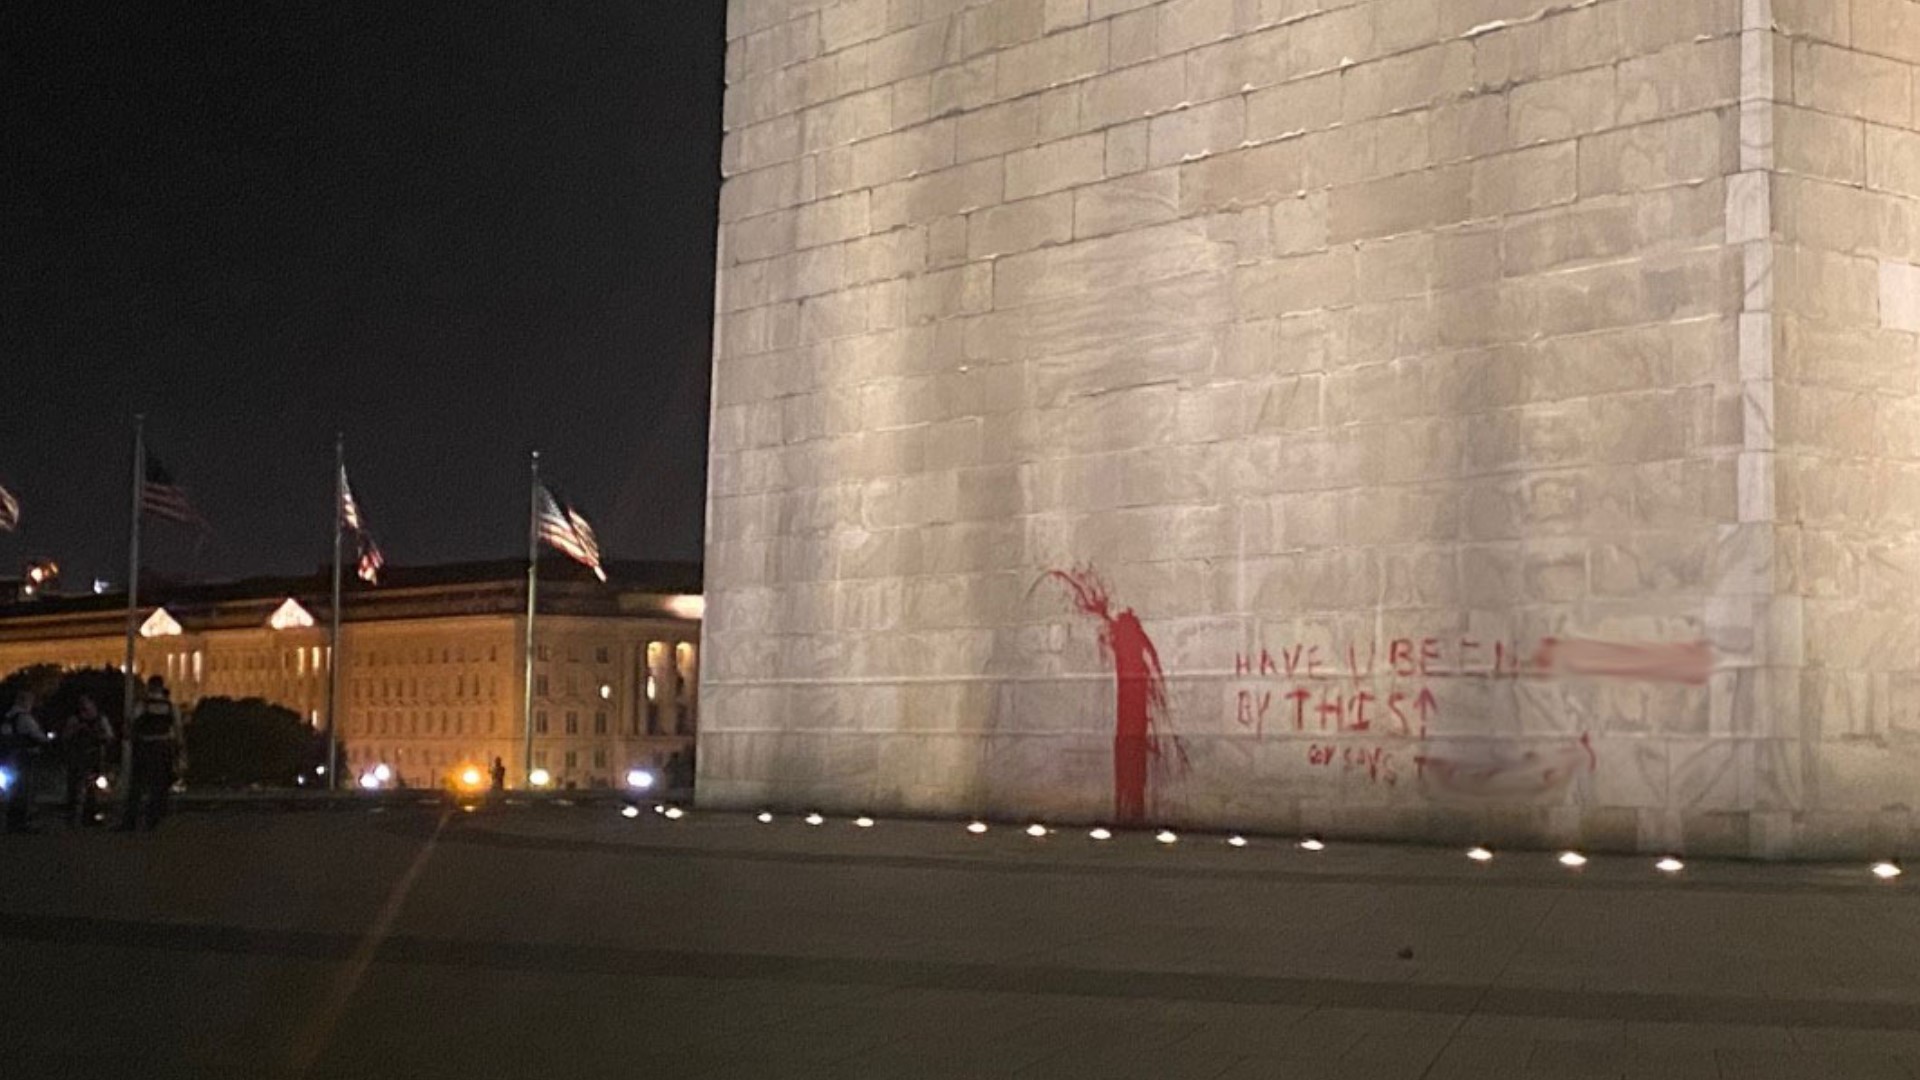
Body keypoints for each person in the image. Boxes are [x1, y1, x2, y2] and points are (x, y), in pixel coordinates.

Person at [118, 676, 180, 832]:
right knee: (158, 786)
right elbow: (178, 729)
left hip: (145, 747)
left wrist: (128, 736)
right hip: (163, 748)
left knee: (137, 785)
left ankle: (130, 821)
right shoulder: (170, 706)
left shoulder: (143, 705)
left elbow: (130, 723)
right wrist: (179, 750)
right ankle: (152, 820)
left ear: (149, 687)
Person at [60, 695, 115, 827]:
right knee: (74, 788)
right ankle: (72, 818)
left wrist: (98, 737)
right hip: (77, 757)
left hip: (93, 757)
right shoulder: (75, 720)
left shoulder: (100, 719)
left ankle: (90, 817)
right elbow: (66, 736)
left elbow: (109, 737)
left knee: (92, 789)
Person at [2, 690, 50, 833]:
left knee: (13, 790)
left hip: (10, 757)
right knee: (25, 789)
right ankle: (22, 822)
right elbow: (39, 737)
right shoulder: (24, 718)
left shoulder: (8, 717)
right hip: (25, 757)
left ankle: (12, 821)